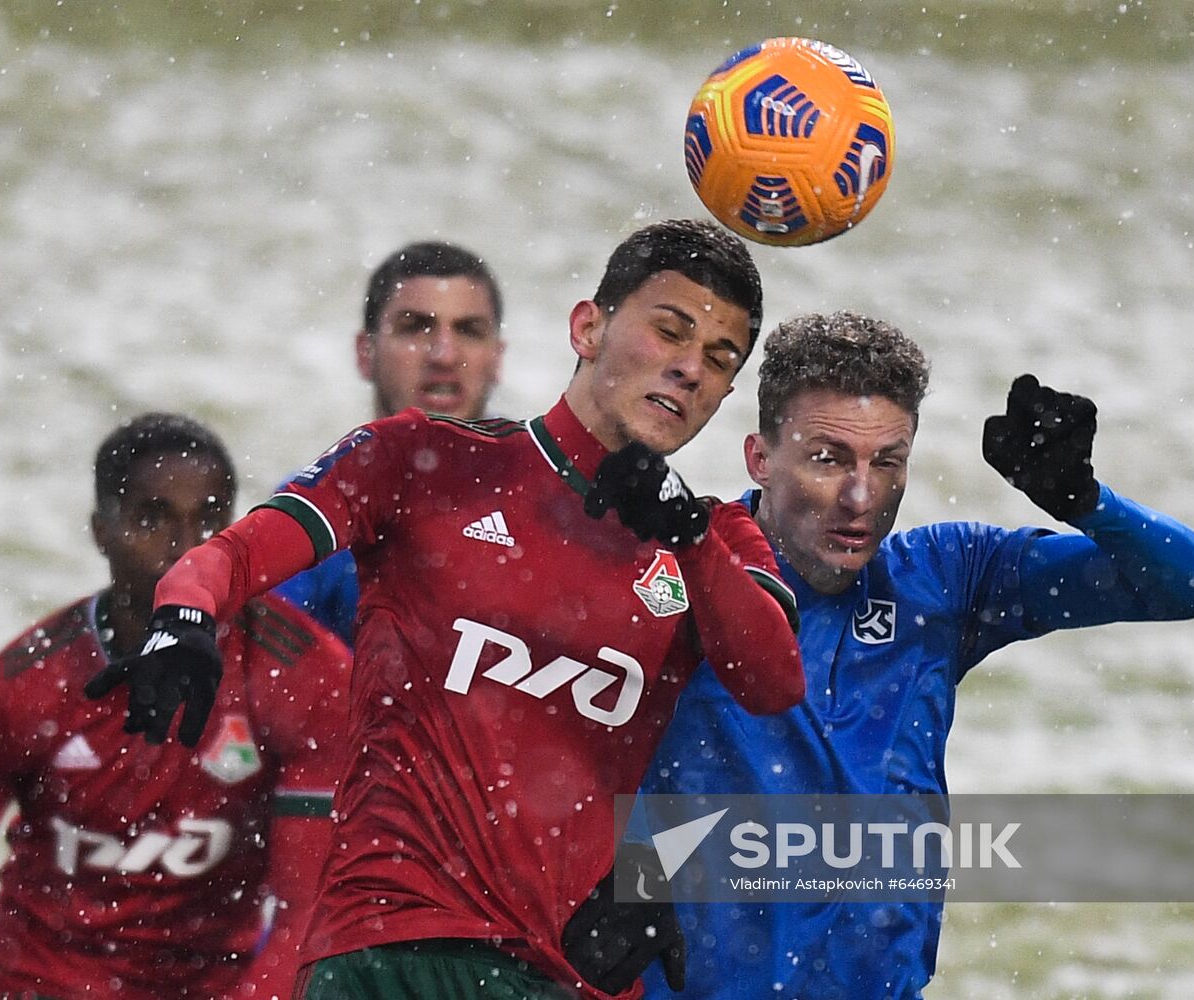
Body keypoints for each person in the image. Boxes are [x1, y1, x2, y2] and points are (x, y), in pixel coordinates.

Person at [83, 219, 807, 999]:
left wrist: (689, 538)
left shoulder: (718, 539)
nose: (689, 368)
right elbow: (237, 554)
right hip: (390, 951)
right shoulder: (422, 460)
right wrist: (184, 614)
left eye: (718, 359)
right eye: (670, 331)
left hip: (571, 977)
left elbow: (771, 682)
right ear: (588, 326)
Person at [639, 311, 1194, 1000]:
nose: (860, 497)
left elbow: (1193, 584)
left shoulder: (946, 578)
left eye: (886, 462)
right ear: (760, 457)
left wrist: (1088, 502)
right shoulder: (673, 567)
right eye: (829, 459)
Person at [0, 413, 353, 1000]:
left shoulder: (305, 675)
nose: (185, 548)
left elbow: (305, 915)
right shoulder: (29, 683)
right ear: (99, 530)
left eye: (210, 519)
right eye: (152, 518)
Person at [276, 241, 505, 645]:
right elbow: (268, 678)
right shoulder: (313, 504)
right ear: (365, 353)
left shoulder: (556, 511)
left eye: (468, 330)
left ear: (498, 358)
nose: (444, 354)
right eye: (416, 326)